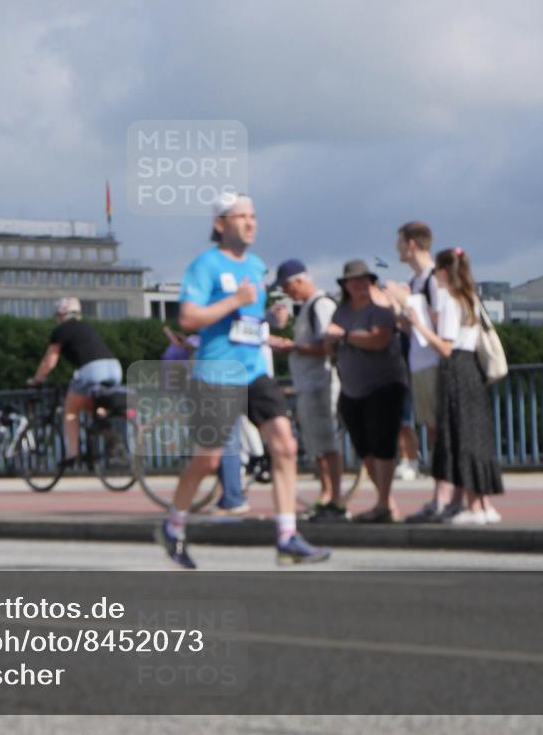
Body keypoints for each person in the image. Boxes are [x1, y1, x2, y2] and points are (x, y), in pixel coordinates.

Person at [155, 192, 330, 568]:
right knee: (208, 460)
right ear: (220, 224)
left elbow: (243, 325)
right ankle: (172, 524)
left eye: (253, 216)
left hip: (253, 370)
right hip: (217, 372)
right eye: (241, 217)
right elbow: (188, 320)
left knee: (284, 444)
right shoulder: (204, 265)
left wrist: (269, 323)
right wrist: (235, 300)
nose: (251, 223)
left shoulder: (255, 265)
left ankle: (287, 535)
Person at [324, 260, 409, 523]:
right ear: (346, 285)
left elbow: (378, 339)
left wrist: (345, 335)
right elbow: (330, 344)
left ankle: (384, 503)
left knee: (383, 447)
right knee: (365, 450)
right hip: (351, 389)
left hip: (383, 385)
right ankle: (385, 502)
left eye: (364, 280)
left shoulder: (380, 310)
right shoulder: (341, 312)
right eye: (354, 280)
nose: (359, 284)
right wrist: (331, 340)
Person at [392, 221, 465, 521]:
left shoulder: (433, 279)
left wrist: (404, 307)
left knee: (441, 433)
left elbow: (437, 326)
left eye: (399, 242)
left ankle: (447, 497)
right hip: (422, 363)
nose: (397, 248)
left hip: (434, 364)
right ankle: (442, 497)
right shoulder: (421, 279)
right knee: (434, 433)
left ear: (410, 244)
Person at [271, 259, 347, 522]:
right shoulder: (309, 307)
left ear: (299, 281)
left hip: (321, 383)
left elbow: (328, 346)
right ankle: (327, 495)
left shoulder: (320, 305)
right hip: (310, 383)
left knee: (326, 443)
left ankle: (333, 497)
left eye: (288, 286)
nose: (287, 292)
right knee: (319, 444)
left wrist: (292, 347)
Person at [28, 297, 123, 467]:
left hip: (92, 371)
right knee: (91, 408)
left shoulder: (61, 330)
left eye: (58, 315)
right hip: (114, 368)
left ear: (63, 314)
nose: (57, 319)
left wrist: (37, 379)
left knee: (70, 411)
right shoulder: (87, 327)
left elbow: (49, 361)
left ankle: (73, 454)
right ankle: (112, 441)